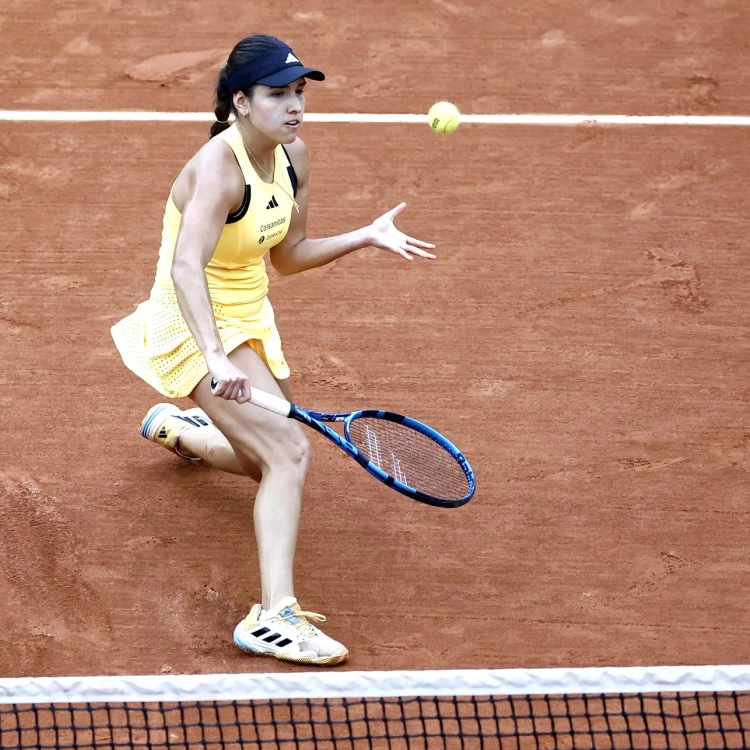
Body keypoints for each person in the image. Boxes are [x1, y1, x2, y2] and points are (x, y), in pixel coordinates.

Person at [111, 34, 435, 667]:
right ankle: (272, 616)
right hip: (192, 318)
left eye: (299, 93)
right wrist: (214, 357)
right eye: (277, 94)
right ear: (242, 101)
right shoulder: (217, 168)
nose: (293, 106)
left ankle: (182, 431)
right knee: (289, 453)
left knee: (265, 465)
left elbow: (286, 256)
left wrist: (365, 237)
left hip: (250, 315)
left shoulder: (293, 158)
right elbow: (184, 267)